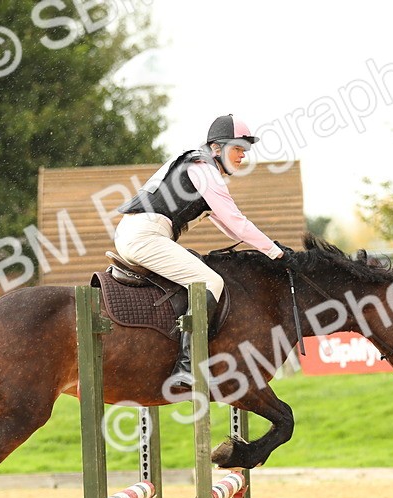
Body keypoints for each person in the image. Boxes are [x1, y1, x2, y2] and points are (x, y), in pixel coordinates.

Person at [114, 114, 284, 389]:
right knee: (210, 282)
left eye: (244, 150)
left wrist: (268, 247)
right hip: (145, 235)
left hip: (139, 232)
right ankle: (185, 367)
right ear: (217, 148)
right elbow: (237, 222)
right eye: (237, 149)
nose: (242, 156)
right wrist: (276, 253)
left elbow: (229, 227)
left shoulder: (198, 165)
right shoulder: (204, 170)